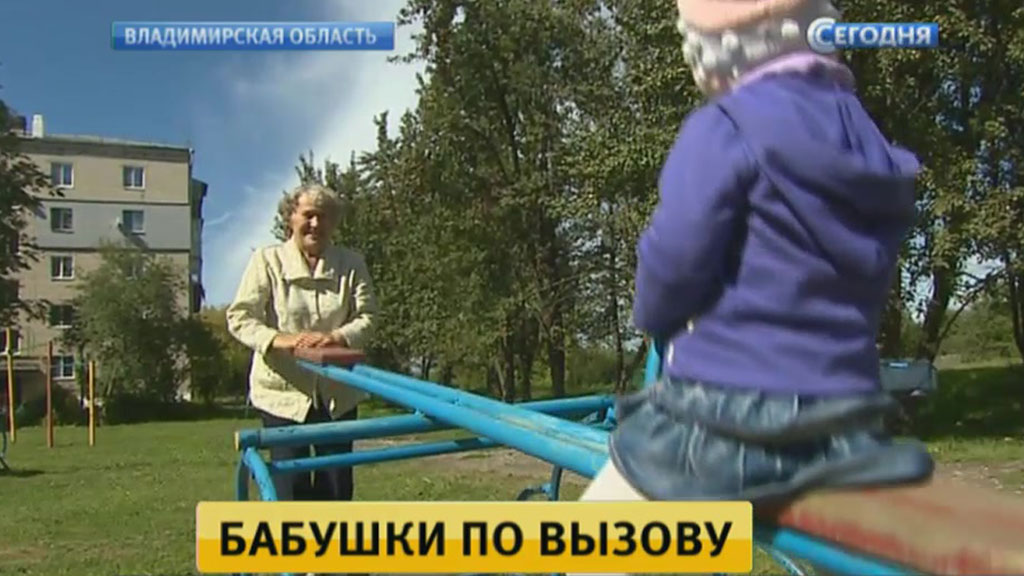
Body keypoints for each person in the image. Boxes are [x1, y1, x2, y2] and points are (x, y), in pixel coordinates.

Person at [579, 0, 934, 511]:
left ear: (713, 49)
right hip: (846, 421)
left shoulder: (725, 127)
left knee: (588, 534)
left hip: (732, 415)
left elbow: (674, 260)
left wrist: (654, 315)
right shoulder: (866, 137)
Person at [226, 182, 377, 503]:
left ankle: (331, 537)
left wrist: (337, 337)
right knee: (288, 489)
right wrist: (281, 340)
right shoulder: (267, 261)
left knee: (335, 490)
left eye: (324, 216)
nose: (316, 224)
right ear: (291, 218)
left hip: (337, 396)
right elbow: (240, 317)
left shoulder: (351, 264)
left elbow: (368, 317)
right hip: (282, 395)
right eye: (308, 215)